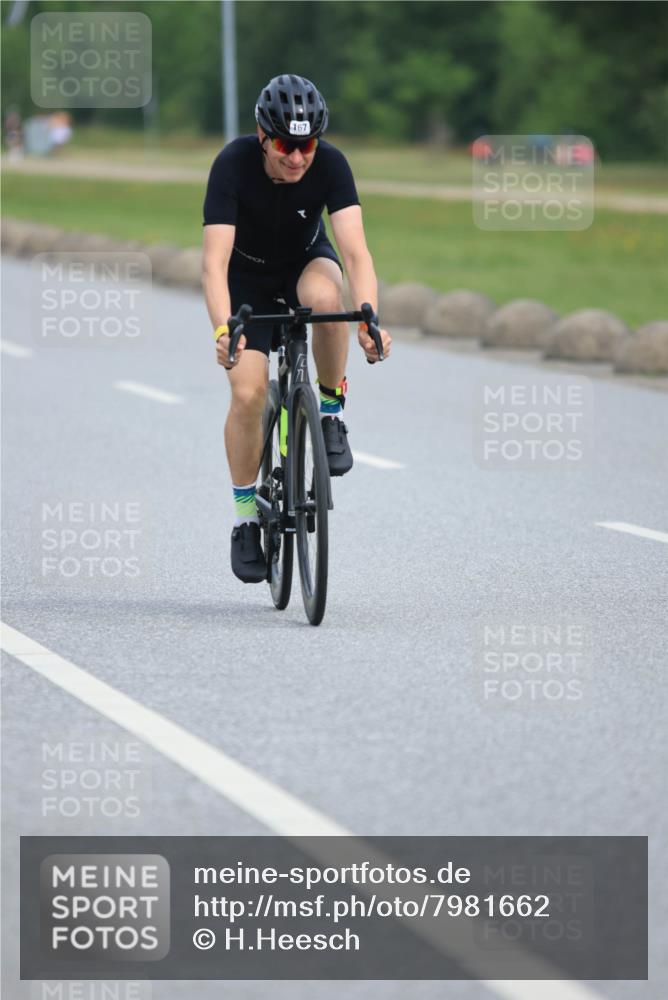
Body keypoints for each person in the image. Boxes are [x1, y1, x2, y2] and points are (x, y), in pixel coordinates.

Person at [202, 74, 392, 583]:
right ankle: (245, 519)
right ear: (263, 136)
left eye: (306, 144)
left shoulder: (331, 164)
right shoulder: (232, 165)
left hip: (306, 262)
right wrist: (225, 329)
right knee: (248, 393)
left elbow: (355, 251)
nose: (297, 157)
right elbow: (214, 264)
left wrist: (370, 315)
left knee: (329, 301)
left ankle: (329, 413)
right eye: (286, 144)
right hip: (247, 279)